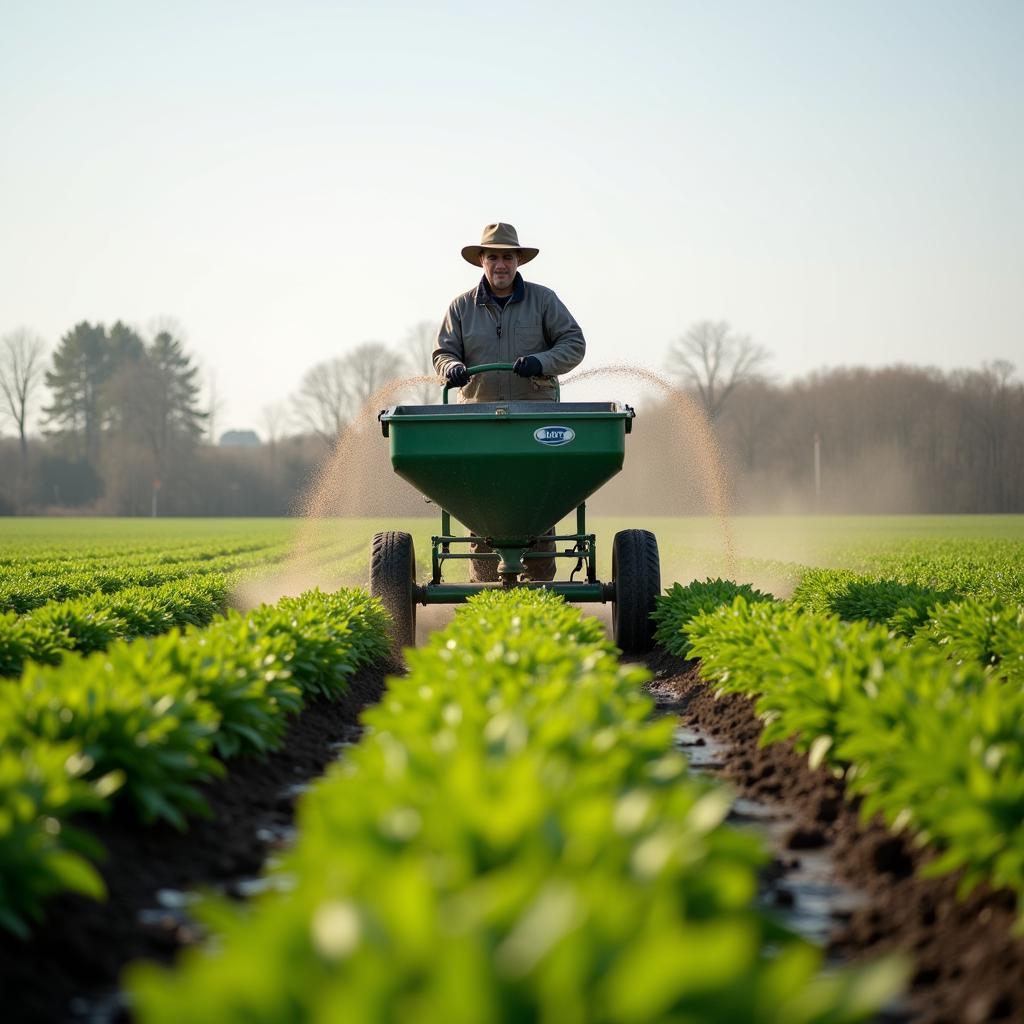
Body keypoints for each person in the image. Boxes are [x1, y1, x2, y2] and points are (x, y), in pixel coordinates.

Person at [432, 222, 586, 580]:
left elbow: (573, 343)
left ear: (518, 261)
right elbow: (443, 353)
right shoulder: (460, 308)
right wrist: (453, 368)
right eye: (493, 257)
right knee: (479, 510)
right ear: (482, 261)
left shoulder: (544, 300)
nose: (500, 264)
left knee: (540, 507)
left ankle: (542, 593)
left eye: (507, 257)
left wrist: (542, 362)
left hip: (536, 422)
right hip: (477, 423)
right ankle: (483, 593)